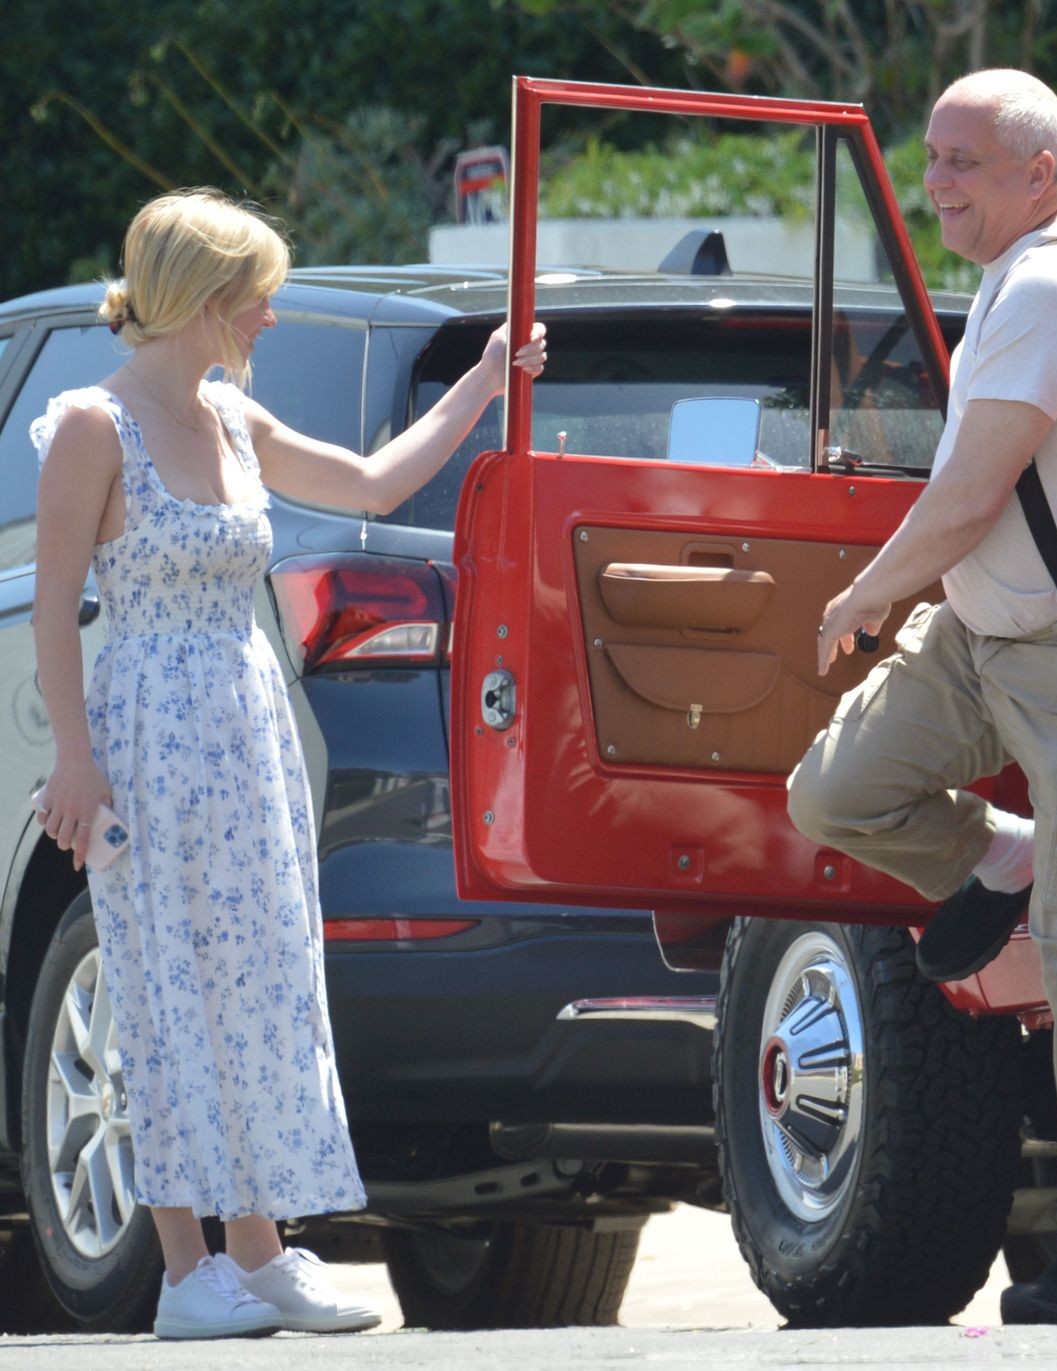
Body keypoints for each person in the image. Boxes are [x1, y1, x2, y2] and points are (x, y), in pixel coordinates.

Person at [31, 188, 547, 1340]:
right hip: (148, 731)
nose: (271, 315)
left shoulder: (230, 418)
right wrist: (74, 761)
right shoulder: (91, 427)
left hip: (248, 726)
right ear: (204, 298)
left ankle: (260, 1254)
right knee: (164, 985)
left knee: (262, 981)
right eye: (258, 296)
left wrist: (484, 382)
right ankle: (185, 1271)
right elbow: (57, 605)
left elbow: (370, 483)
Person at [786, 70, 1057, 1324]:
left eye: (964, 161)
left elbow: (968, 494)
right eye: (932, 156)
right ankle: (1005, 856)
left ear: (1040, 175)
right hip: (984, 634)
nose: (936, 182)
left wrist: (864, 594)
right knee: (833, 793)